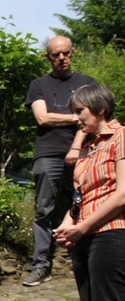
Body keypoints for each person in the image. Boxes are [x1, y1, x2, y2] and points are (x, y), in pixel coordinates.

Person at [53, 83, 125, 301]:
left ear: (98, 109)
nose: (75, 117)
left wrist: (83, 228)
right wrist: (69, 223)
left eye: (79, 111)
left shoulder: (121, 137)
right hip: (86, 237)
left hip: (112, 235)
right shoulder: (90, 147)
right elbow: (80, 195)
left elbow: (123, 195)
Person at [23, 35, 95, 287]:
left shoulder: (86, 83)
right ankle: (41, 265)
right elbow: (42, 118)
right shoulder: (39, 84)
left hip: (85, 151)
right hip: (48, 152)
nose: (62, 58)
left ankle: (88, 261)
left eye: (66, 53)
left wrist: (76, 145)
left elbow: (93, 118)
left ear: (72, 53)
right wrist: (76, 117)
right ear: (49, 57)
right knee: (44, 209)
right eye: (56, 54)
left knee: (89, 205)